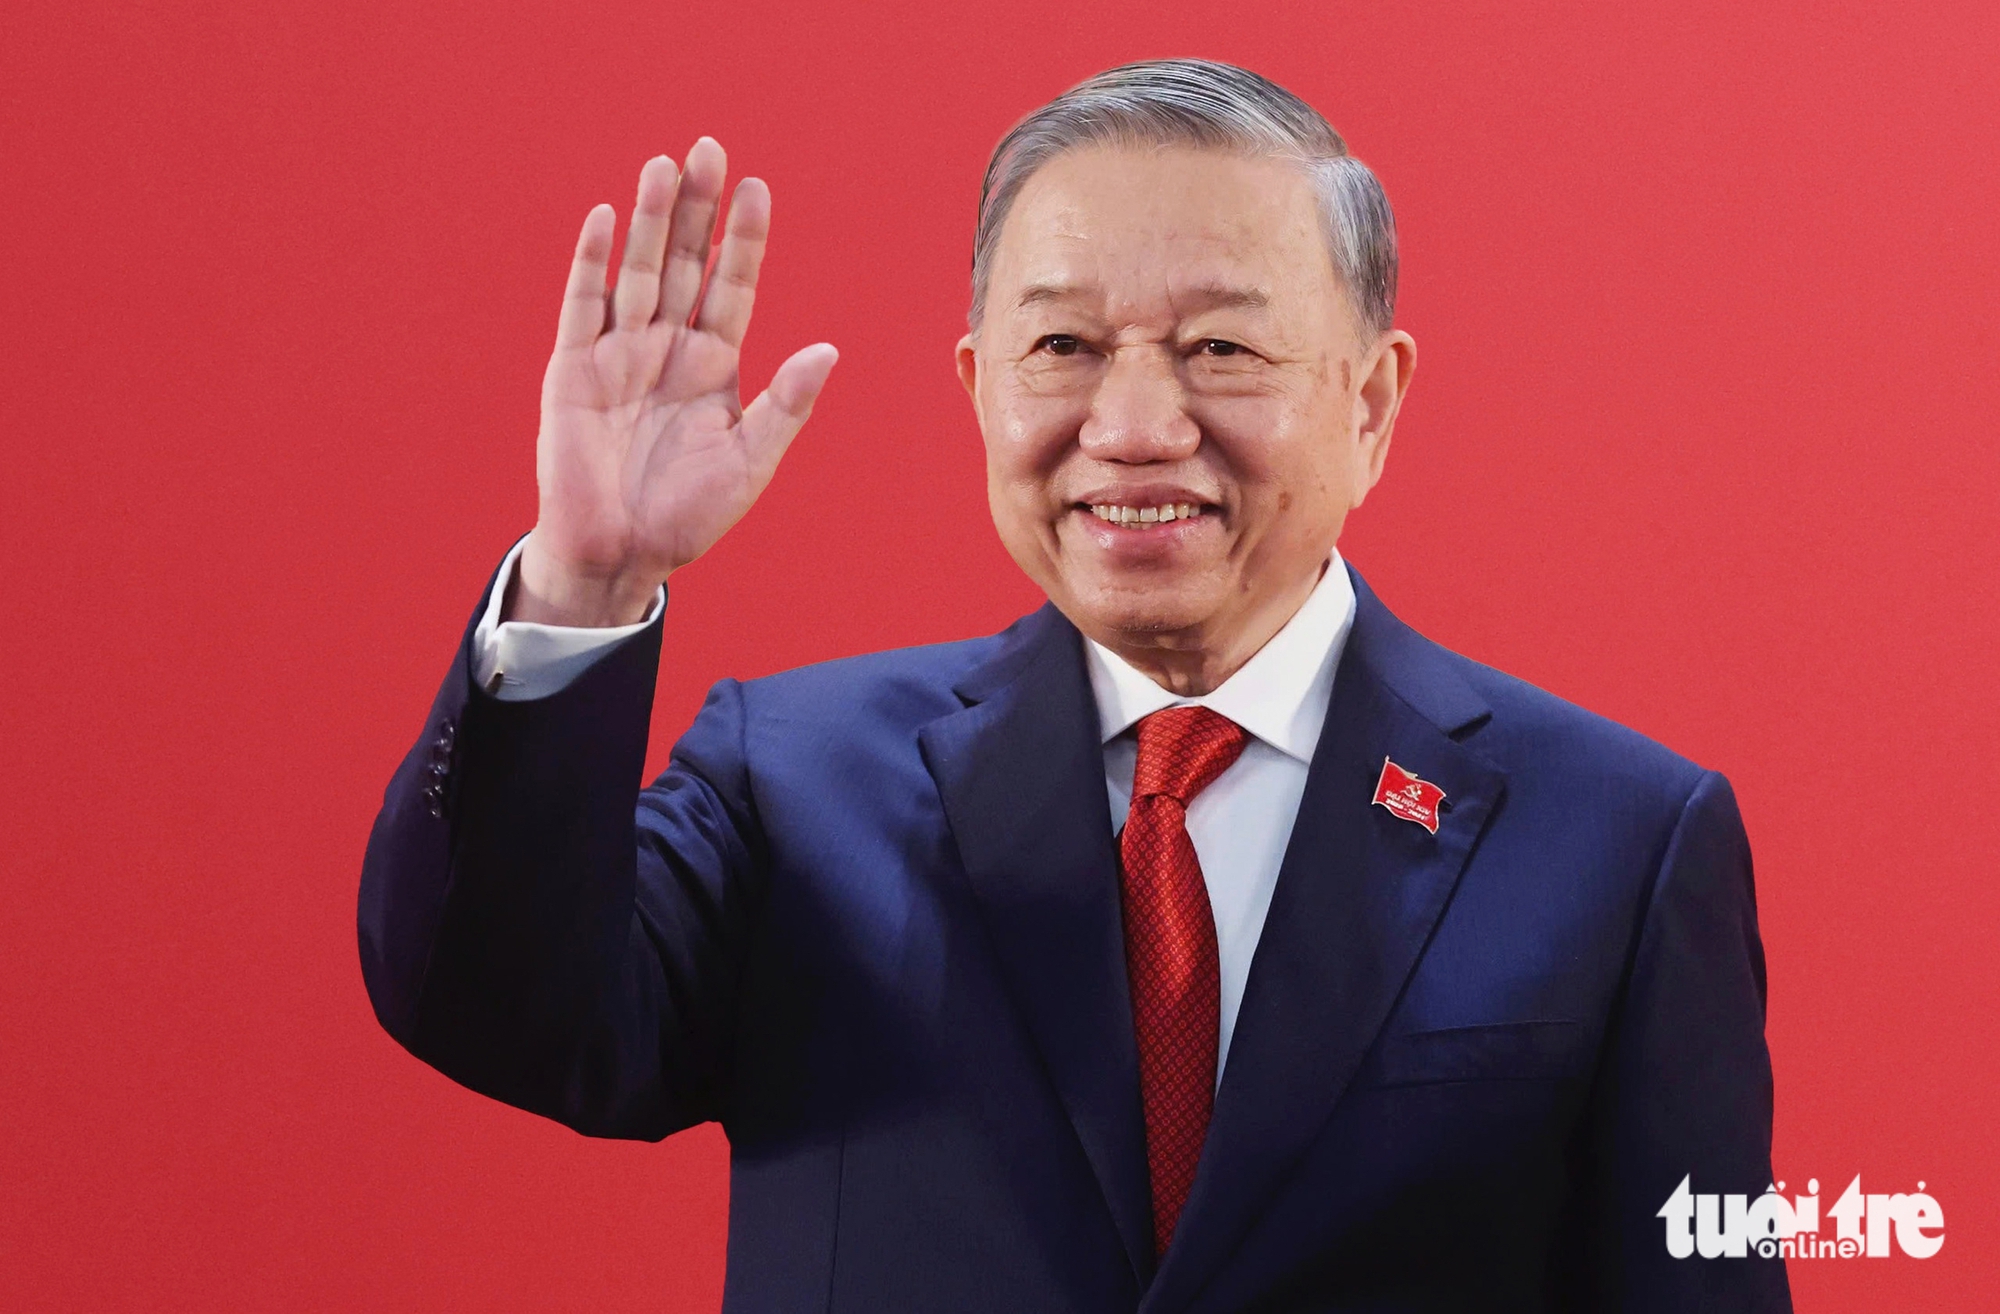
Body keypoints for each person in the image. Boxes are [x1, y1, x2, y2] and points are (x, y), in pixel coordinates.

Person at [359, 59, 1789, 1312]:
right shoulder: (787, 783)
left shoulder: (1621, 844)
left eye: (1220, 348)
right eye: (1063, 348)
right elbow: (496, 1005)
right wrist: (588, 577)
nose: (1135, 424)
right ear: (980, 386)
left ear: (1370, 402)